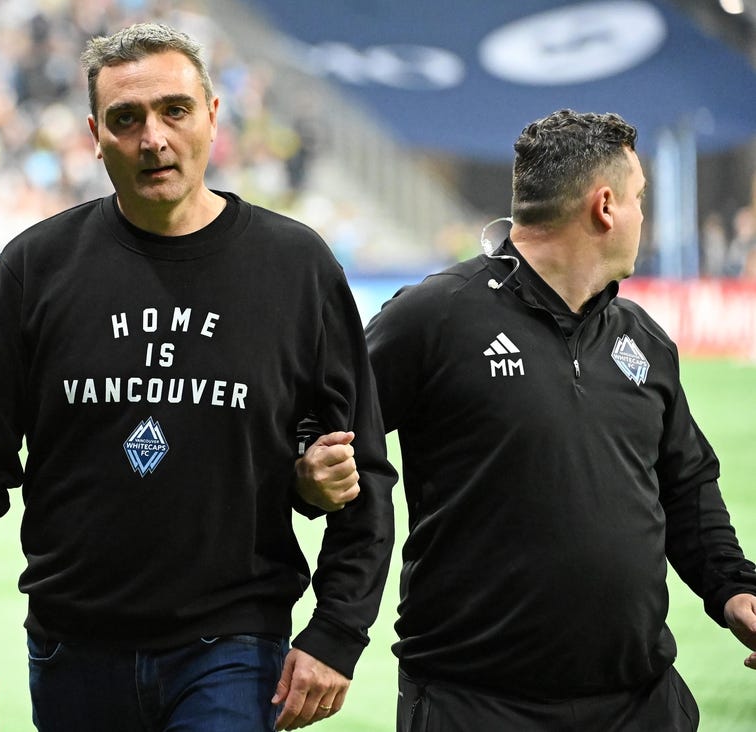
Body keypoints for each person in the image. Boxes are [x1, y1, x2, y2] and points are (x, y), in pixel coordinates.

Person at [0, 22, 396, 732]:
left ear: (211, 114)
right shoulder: (36, 268)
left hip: (232, 647)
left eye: (174, 110)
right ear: (94, 134)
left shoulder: (294, 267)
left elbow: (358, 465)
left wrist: (337, 631)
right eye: (127, 118)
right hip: (71, 647)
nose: (153, 138)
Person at [307, 109, 756, 730]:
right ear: (604, 206)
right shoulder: (435, 318)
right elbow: (321, 431)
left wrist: (735, 588)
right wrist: (310, 487)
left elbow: (687, 486)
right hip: (475, 704)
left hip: (638, 702)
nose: (642, 216)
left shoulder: (643, 341)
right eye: (639, 198)